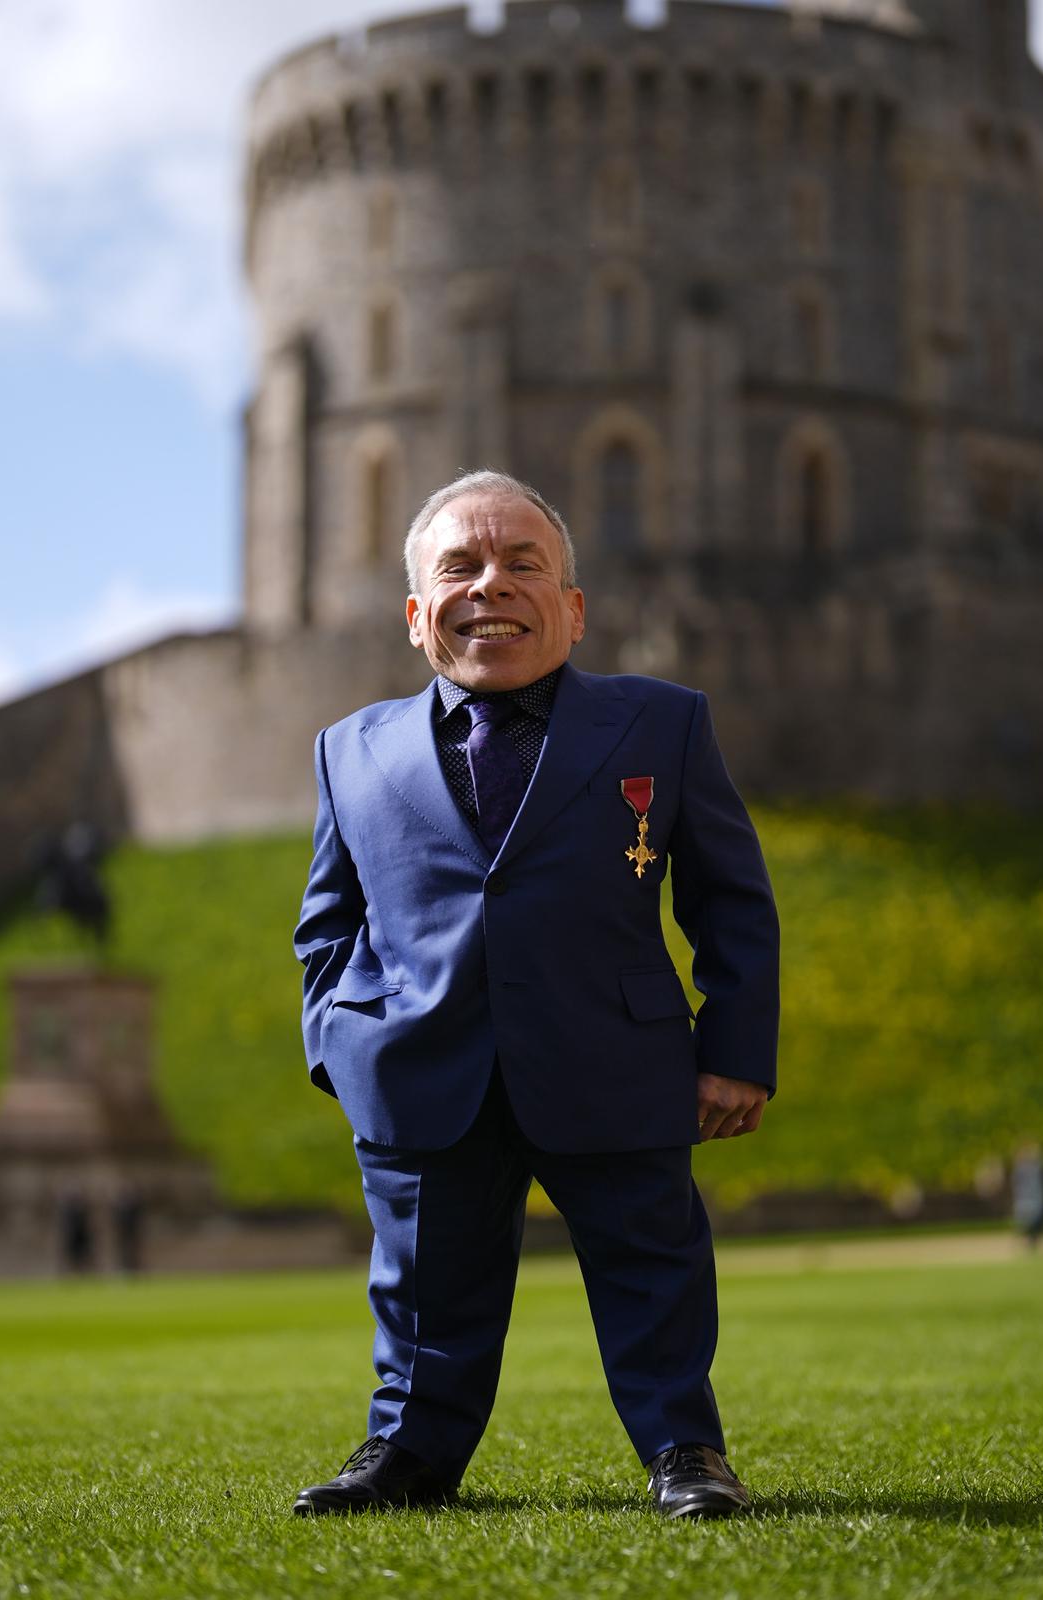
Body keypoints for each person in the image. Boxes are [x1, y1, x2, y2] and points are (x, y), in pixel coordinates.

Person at [290, 470, 781, 1519]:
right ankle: (408, 1453)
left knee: (653, 1273)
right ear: (419, 613)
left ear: (574, 606)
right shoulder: (350, 750)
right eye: (459, 567)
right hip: (424, 1070)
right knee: (421, 1289)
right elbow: (326, 924)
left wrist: (737, 1048)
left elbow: (732, 898)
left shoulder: (664, 722)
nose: (490, 585)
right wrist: (342, 1041)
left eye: (523, 562)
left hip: (614, 1055)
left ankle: (686, 1451)